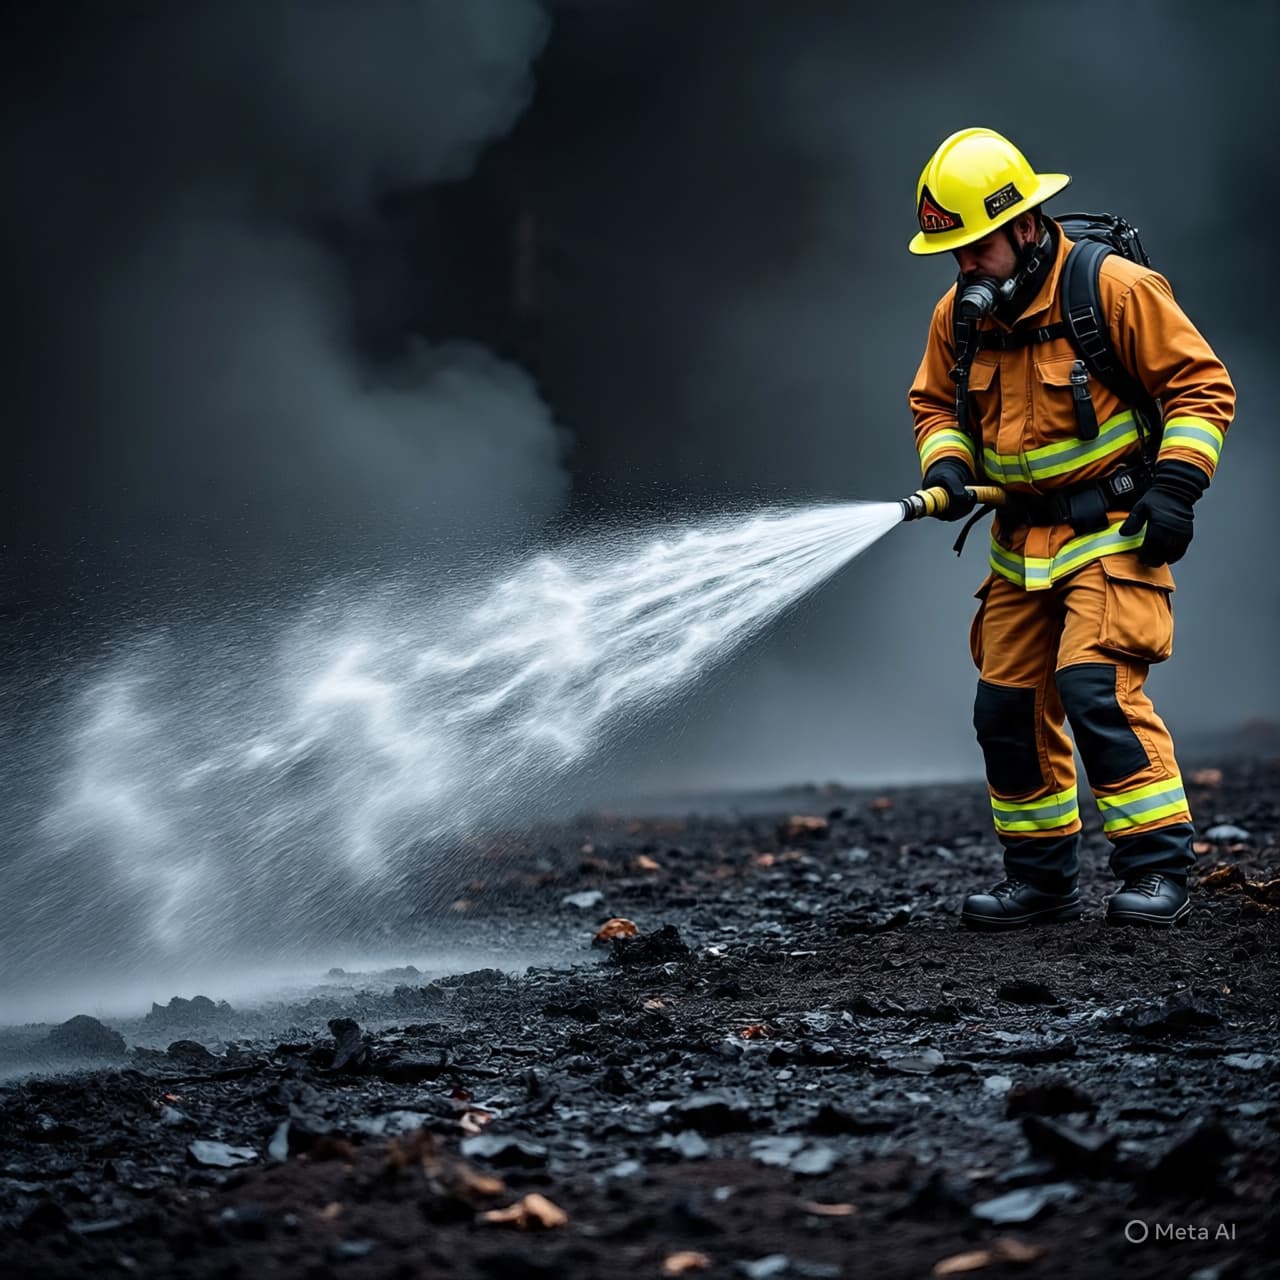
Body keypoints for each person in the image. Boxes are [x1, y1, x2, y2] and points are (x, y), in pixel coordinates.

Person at [905, 127, 1235, 930]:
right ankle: (1041, 883)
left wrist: (1178, 488)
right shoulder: (960, 314)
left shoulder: (1113, 289)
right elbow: (931, 406)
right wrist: (946, 465)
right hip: (1019, 550)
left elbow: (1201, 386)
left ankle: (1157, 871)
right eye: (952, 254)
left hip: (1113, 535)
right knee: (1006, 714)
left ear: (1025, 225)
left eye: (976, 248)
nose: (963, 268)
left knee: (1098, 693)